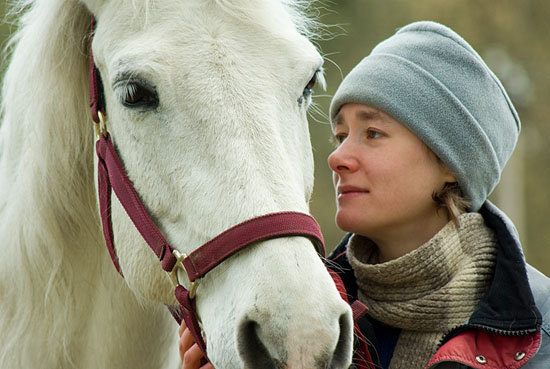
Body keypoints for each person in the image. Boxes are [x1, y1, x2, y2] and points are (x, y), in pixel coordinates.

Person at [178, 21, 550, 369]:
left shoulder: (542, 329)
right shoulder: (298, 323)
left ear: (451, 163)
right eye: (341, 136)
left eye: (372, 133)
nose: (338, 157)